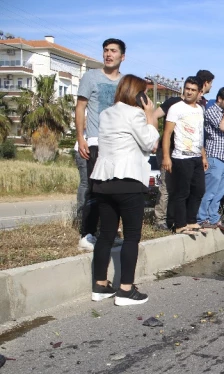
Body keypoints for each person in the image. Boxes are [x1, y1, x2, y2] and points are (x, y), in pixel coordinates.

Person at [90, 74, 159, 305]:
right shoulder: (136, 114)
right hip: (128, 181)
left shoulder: (106, 113)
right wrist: (150, 115)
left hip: (103, 181)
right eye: (145, 93)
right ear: (138, 95)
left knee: (106, 235)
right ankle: (126, 291)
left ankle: (100, 286)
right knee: (131, 237)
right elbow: (150, 143)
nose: (147, 97)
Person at [75, 38, 126, 251]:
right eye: (106, 50)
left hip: (117, 144)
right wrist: (81, 138)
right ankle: (87, 234)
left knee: (115, 191)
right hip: (95, 141)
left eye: (113, 51)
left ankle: (109, 232)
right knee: (94, 190)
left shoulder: (125, 82)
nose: (108, 54)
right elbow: (80, 107)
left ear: (122, 56)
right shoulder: (91, 76)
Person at [152, 69, 214, 230]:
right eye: (187, 89)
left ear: (199, 92)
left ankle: (191, 221)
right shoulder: (176, 107)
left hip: (196, 156)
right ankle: (179, 224)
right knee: (181, 192)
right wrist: (166, 156)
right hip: (180, 156)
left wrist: (203, 156)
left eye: (193, 90)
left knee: (199, 190)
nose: (189, 92)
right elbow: (167, 134)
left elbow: (199, 135)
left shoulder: (200, 109)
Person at [197, 87, 224, 230]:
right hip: (215, 157)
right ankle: (202, 218)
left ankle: (214, 218)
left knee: (219, 193)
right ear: (219, 99)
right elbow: (222, 127)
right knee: (210, 191)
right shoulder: (212, 111)